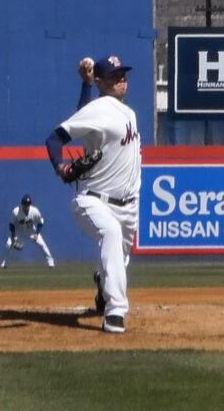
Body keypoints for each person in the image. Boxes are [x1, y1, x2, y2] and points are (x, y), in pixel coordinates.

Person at [44, 54, 142, 334]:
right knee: (109, 232)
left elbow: (85, 116)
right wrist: (60, 166)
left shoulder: (128, 113)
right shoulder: (99, 107)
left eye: (123, 73)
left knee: (118, 262)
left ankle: (102, 283)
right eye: (114, 75)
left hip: (129, 206)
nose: (121, 79)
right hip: (93, 198)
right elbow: (54, 138)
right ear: (100, 81)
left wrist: (88, 87)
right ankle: (116, 312)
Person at [0, 194, 55, 268]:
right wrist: (13, 237)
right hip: (18, 231)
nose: (26, 206)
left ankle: (50, 262)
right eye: (25, 204)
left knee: (42, 244)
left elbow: (41, 222)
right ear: (22, 204)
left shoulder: (35, 211)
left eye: (28, 204)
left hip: (30, 230)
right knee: (8, 244)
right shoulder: (16, 211)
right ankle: (5, 263)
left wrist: (36, 233)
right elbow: (11, 225)